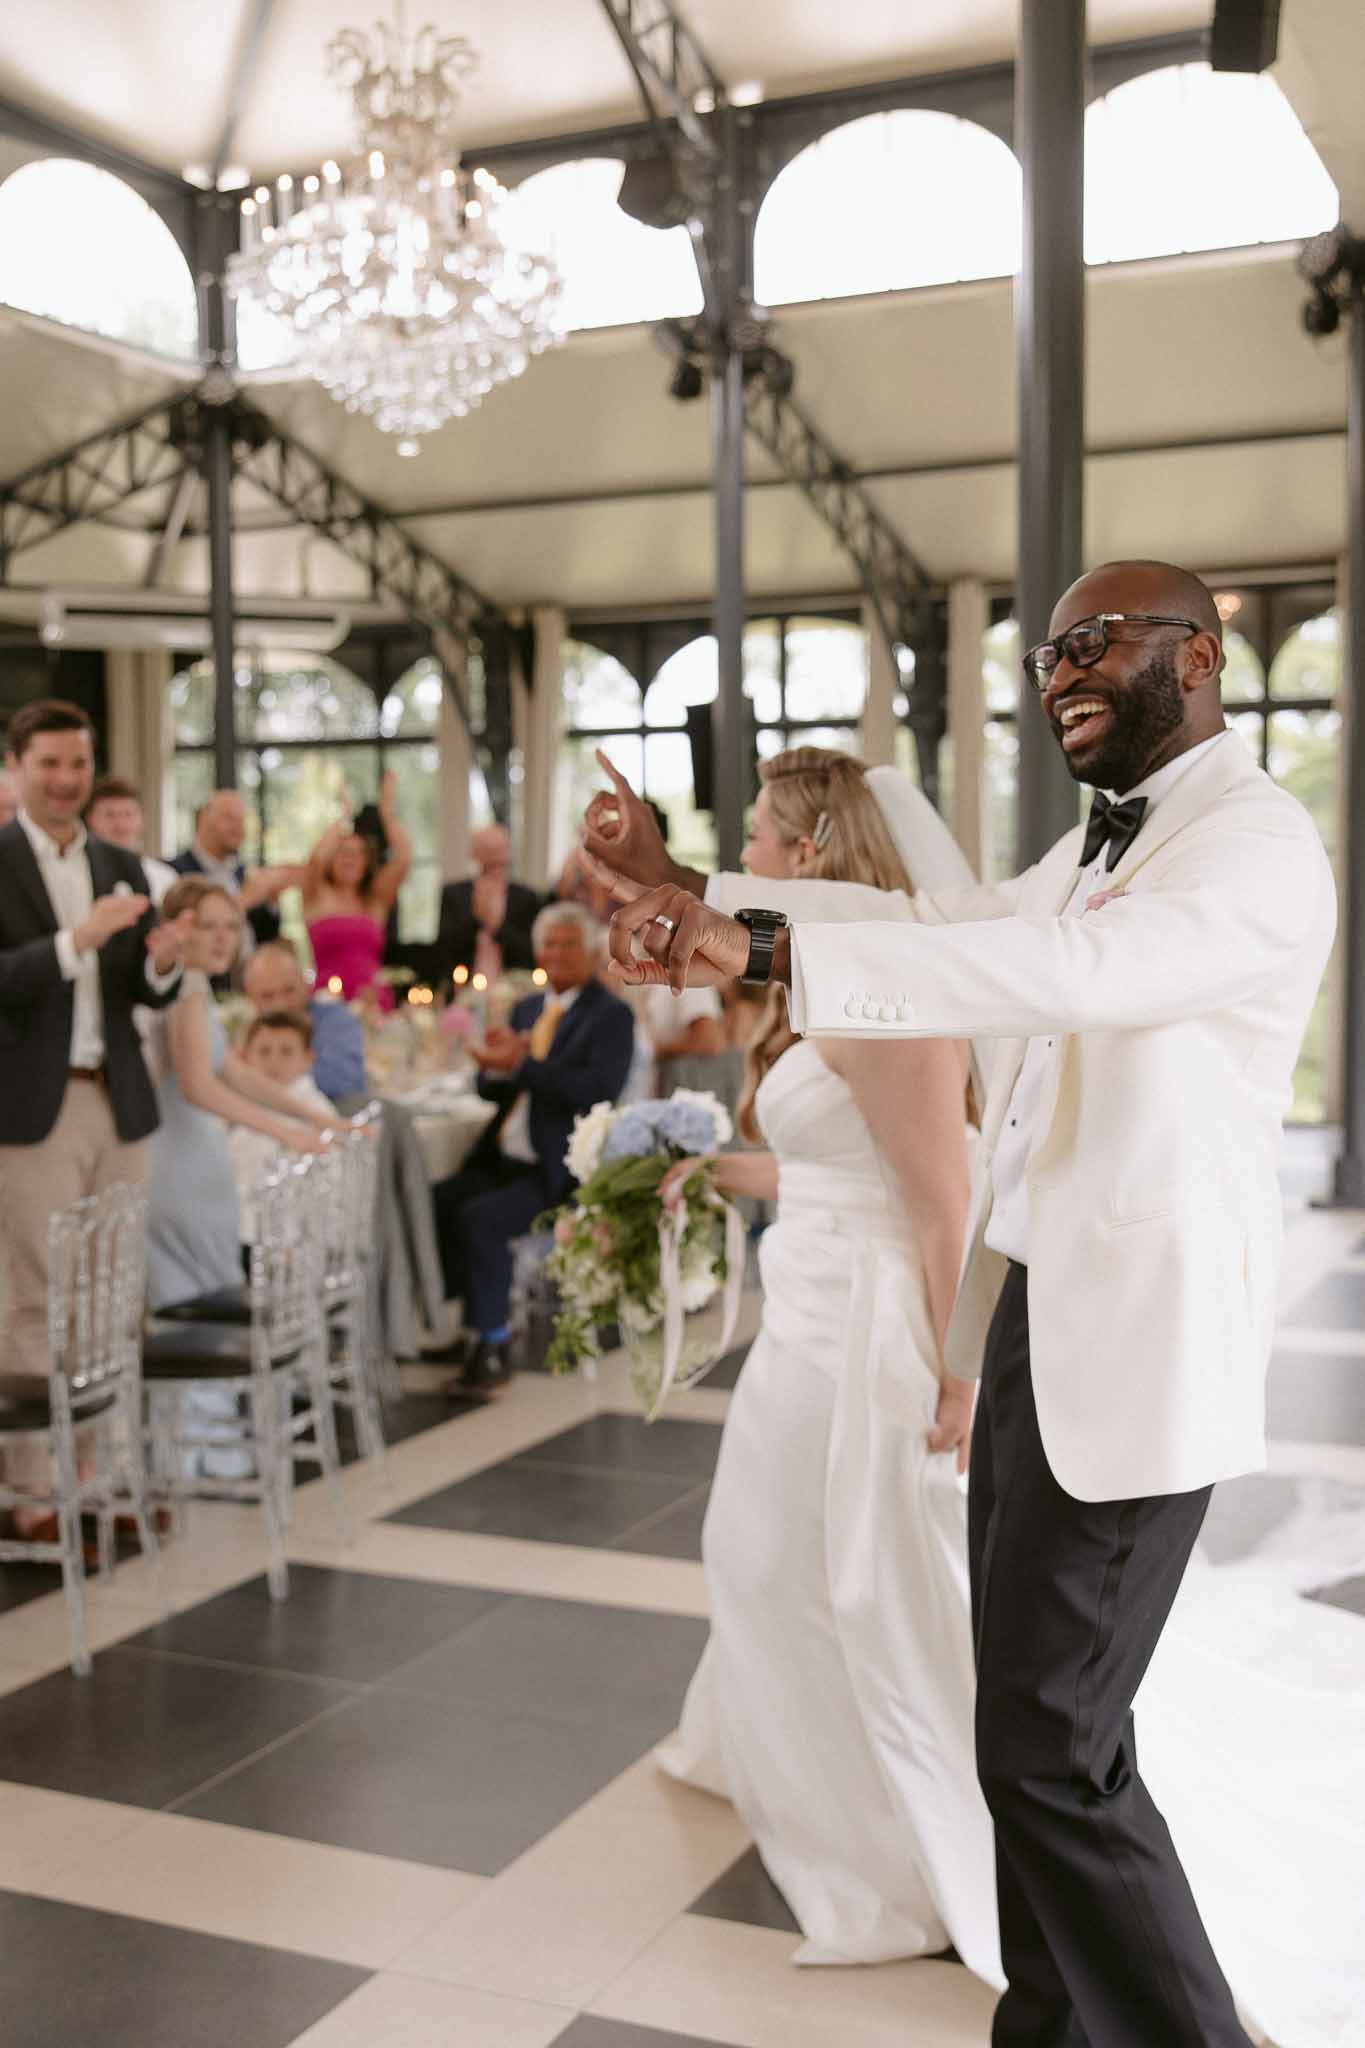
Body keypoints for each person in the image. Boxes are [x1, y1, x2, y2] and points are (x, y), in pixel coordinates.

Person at [584, 562, 1341, 2048]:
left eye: (1092, 641)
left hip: (1138, 1343)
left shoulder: (1253, 848)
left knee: (1054, 1744)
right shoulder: (1102, 843)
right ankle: (1053, 2028)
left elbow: (1061, 969)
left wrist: (767, 948)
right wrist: (693, 886)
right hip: (1037, 1316)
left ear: (1194, 657)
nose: (1057, 667)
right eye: (1046, 647)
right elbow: (944, 919)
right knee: (1023, 1730)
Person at [655, 747, 1000, 1979]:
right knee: (768, 1555)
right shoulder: (821, 980)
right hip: (804, 1303)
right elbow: (828, 1159)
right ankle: (797, 1766)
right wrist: (716, 1170)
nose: (742, 854)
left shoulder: (887, 998)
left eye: (758, 834)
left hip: (865, 1325)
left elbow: (941, 1204)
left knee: (817, 1570)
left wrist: (961, 1374)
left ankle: (891, 1854)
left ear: (811, 854)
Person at [0, 699, 190, 1538]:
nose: (66, 780)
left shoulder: (122, 861)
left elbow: (141, 989)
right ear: (17, 769)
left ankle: (99, 1478)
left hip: (119, 1096)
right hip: (32, 1106)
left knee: (111, 1296)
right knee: (35, 1293)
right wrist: (78, 938)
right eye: (49, 765)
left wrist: (161, 963)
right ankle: (34, 1494)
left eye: (77, 764)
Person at [431, 901, 635, 1398]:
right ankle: (467, 1320)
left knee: (483, 1219)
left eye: (569, 944)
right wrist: (494, 1066)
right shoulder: (526, 1008)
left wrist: (522, 1066)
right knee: (440, 1201)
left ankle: (493, 1342)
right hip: (505, 1156)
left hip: (557, 1169)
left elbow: (596, 1090)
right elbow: (491, 1088)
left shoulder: (610, 1015)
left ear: (590, 952)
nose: (558, 953)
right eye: (549, 944)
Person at [144, 879, 342, 1313]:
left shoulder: (196, 986)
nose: (222, 938)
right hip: (178, 1163)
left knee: (207, 1292)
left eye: (231, 927)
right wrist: (286, 1133)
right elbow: (199, 1087)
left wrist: (316, 1118)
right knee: (192, 1302)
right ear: (179, 928)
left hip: (199, 1161)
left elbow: (234, 1073)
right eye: (208, 926)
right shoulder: (182, 988)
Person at [300, 771, 412, 1009]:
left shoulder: (375, 901)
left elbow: (403, 857)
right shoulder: (316, 896)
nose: (350, 858)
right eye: (343, 851)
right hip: (327, 1005)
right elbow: (316, 860)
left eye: (358, 853)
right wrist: (343, 816)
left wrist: (386, 812)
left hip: (374, 1004)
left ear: (366, 863)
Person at [229, 1011, 337, 1247]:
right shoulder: (234, 1107)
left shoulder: (317, 1112)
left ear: (308, 1059)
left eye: (286, 1052)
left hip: (295, 1230)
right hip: (239, 1224)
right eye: (264, 1051)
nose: (274, 1061)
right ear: (245, 1057)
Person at [171, 788, 293, 962]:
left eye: (241, 821)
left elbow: (266, 936)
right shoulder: (175, 872)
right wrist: (244, 899)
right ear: (203, 820)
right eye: (229, 819)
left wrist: (272, 901)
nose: (238, 828)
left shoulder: (245, 874)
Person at [243, 938, 369, 1107]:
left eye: (289, 990)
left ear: (304, 983)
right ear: (251, 998)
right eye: (267, 996)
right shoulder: (252, 1033)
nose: (281, 1004)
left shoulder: (335, 1020)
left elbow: (346, 1082)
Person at [434, 822, 541, 986]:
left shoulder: (526, 898)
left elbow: (532, 952)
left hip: (514, 987)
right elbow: (443, 949)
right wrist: (476, 918)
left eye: (498, 850)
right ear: (474, 853)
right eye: (486, 850)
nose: (493, 858)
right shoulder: (454, 894)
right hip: (463, 987)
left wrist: (497, 926)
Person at [85, 775, 177, 904]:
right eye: (110, 815)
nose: (120, 825)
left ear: (142, 819)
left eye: (128, 814)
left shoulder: (165, 877)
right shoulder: (79, 875)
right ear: (90, 820)